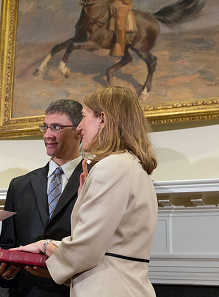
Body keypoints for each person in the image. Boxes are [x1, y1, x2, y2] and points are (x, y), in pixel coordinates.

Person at [13, 86, 158, 297]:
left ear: (103, 119)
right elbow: (105, 243)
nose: (79, 127)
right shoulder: (130, 164)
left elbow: (86, 249)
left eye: (83, 117)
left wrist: (44, 246)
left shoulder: (112, 166)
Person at [0, 99, 84, 297]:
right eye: (46, 127)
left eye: (56, 127)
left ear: (79, 131)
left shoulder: (96, 178)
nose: (47, 135)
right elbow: (9, 246)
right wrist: (4, 273)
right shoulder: (19, 185)